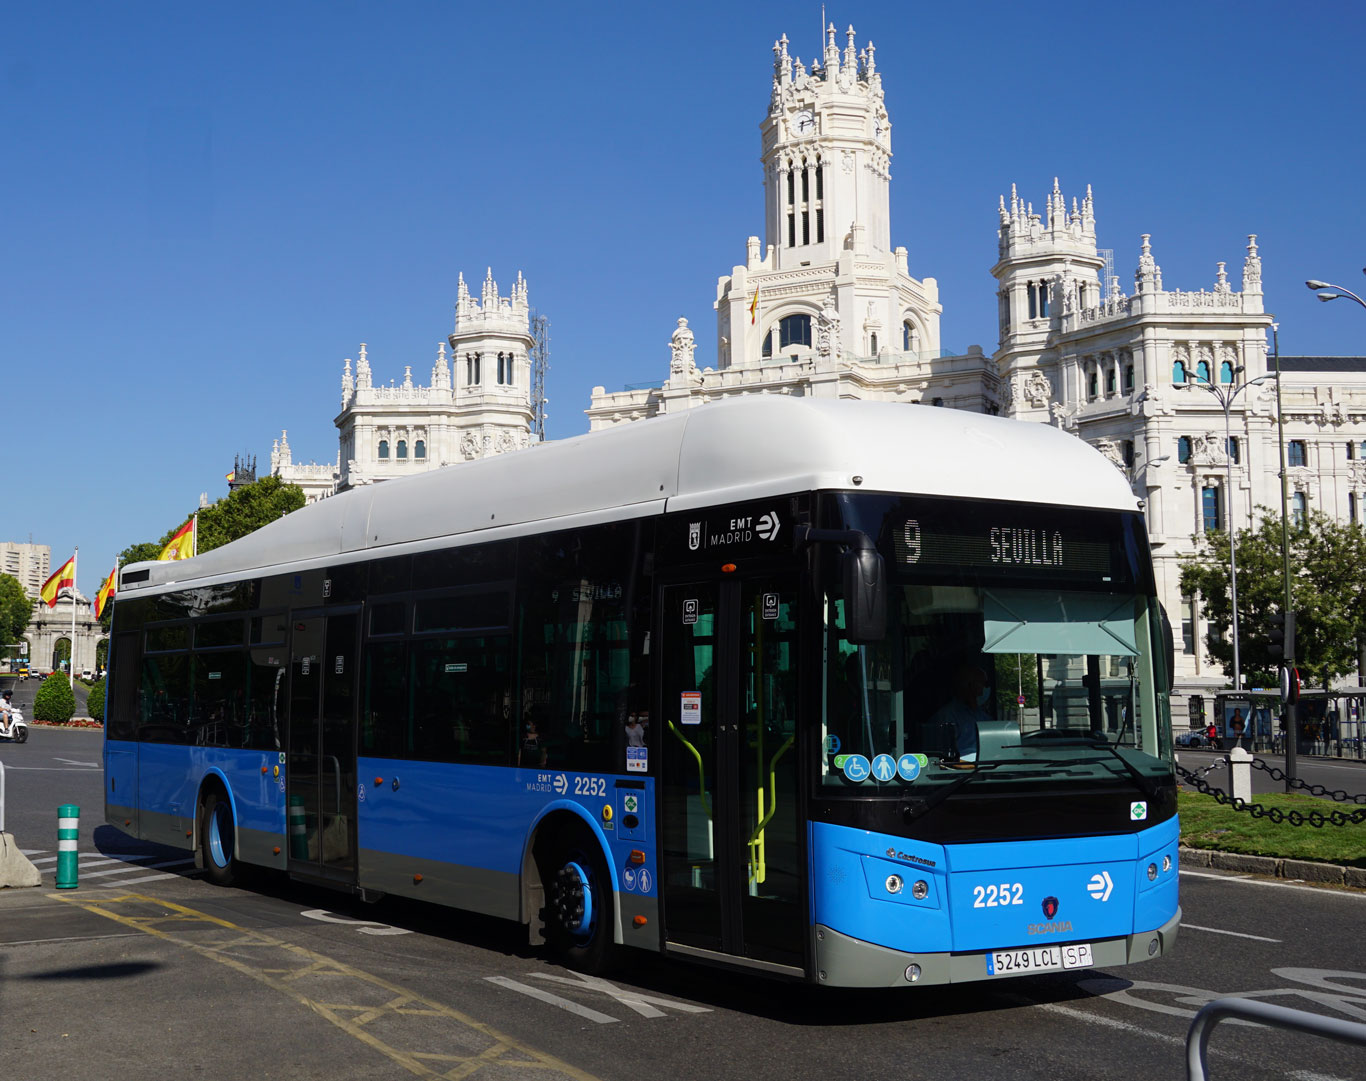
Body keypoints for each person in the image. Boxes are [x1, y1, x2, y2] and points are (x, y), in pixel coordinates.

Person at [929, 660, 989, 762]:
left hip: (989, 766)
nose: (985, 690)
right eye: (982, 684)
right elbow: (943, 755)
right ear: (970, 686)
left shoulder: (982, 715)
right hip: (960, 769)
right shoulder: (947, 716)